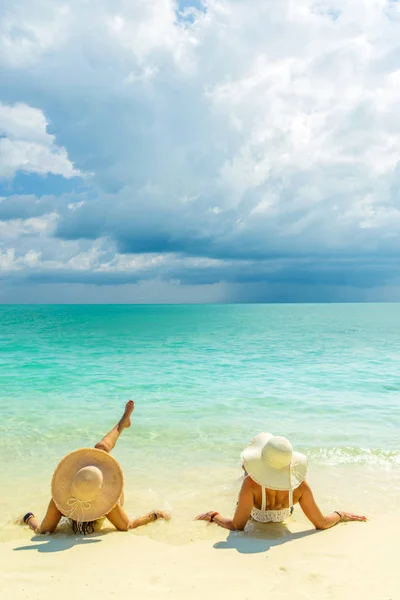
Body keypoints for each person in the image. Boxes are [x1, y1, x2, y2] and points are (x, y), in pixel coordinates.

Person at [22, 401, 170, 534]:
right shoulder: (108, 503)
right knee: (100, 449)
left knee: (100, 449)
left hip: (90, 487)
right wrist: (155, 515)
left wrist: (29, 518)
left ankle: (124, 421)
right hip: (103, 495)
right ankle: (123, 422)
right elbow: (128, 526)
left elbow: (42, 530)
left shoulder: (60, 501)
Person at [196, 433, 367, 531]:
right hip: (284, 511)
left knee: (246, 477)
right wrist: (340, 515)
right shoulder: (301, 485)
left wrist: (214, 516)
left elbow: (237, 525)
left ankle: (247, 468)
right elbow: (321, 523)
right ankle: (255, 468)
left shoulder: (250, 483)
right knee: (249, 477)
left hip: (255, 514)